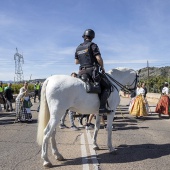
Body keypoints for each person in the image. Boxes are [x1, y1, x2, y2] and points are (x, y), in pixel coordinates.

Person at [75, 29, 111, 114]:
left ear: (84, 36)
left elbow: (76, 62)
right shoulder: (93, 45)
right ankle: (102, 107)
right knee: (107, 86)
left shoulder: (78, 47)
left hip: (81, 72)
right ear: (92, 37)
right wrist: (102, 67)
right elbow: (98, 58)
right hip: (91, 71)